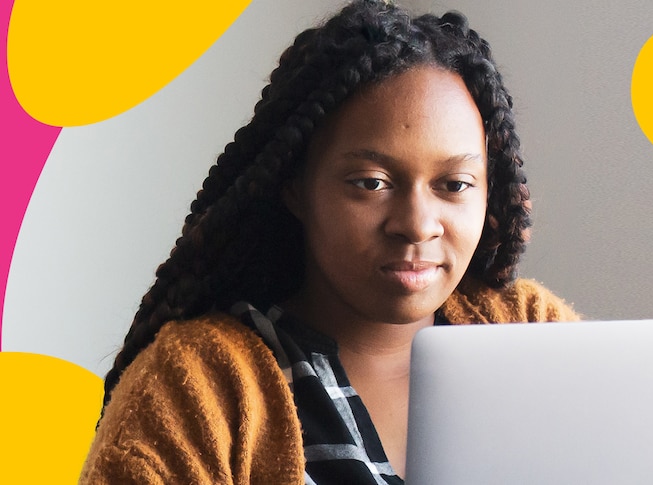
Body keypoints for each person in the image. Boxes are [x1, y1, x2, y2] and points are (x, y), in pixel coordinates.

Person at [80, 1, 578, 483]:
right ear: (296, 186)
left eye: (454, 185)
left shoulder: (533, 333)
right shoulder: (197, 388)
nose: (417, 223)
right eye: (371, 183)